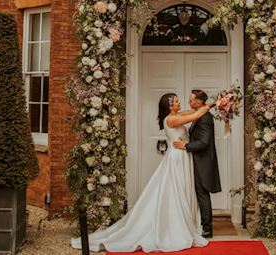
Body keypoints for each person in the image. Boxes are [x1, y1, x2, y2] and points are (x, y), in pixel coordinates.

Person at [71, 93, 211, 253]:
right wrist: (211, 104)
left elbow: (190, 113)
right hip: (176, 159)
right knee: (175, 189)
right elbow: (196, 115)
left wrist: (212, 105)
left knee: (183, 189)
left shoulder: (176, 115)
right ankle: (172, 226)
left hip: (183, 157)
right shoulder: (171, 120)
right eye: (177, 101)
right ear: (170, 105)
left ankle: (185, 223)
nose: (180, 103)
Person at [172, 90, 221, 238]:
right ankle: (201, 224)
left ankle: (207, 229)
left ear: (198, 102)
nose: (189, 102)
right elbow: (185, 114)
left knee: (202, 194)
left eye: (191, 100)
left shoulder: (204, 118)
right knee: (200, 194)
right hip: (198, 160)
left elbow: (204, 142)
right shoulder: (199, 114)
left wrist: (186, 146)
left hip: (203, 162)